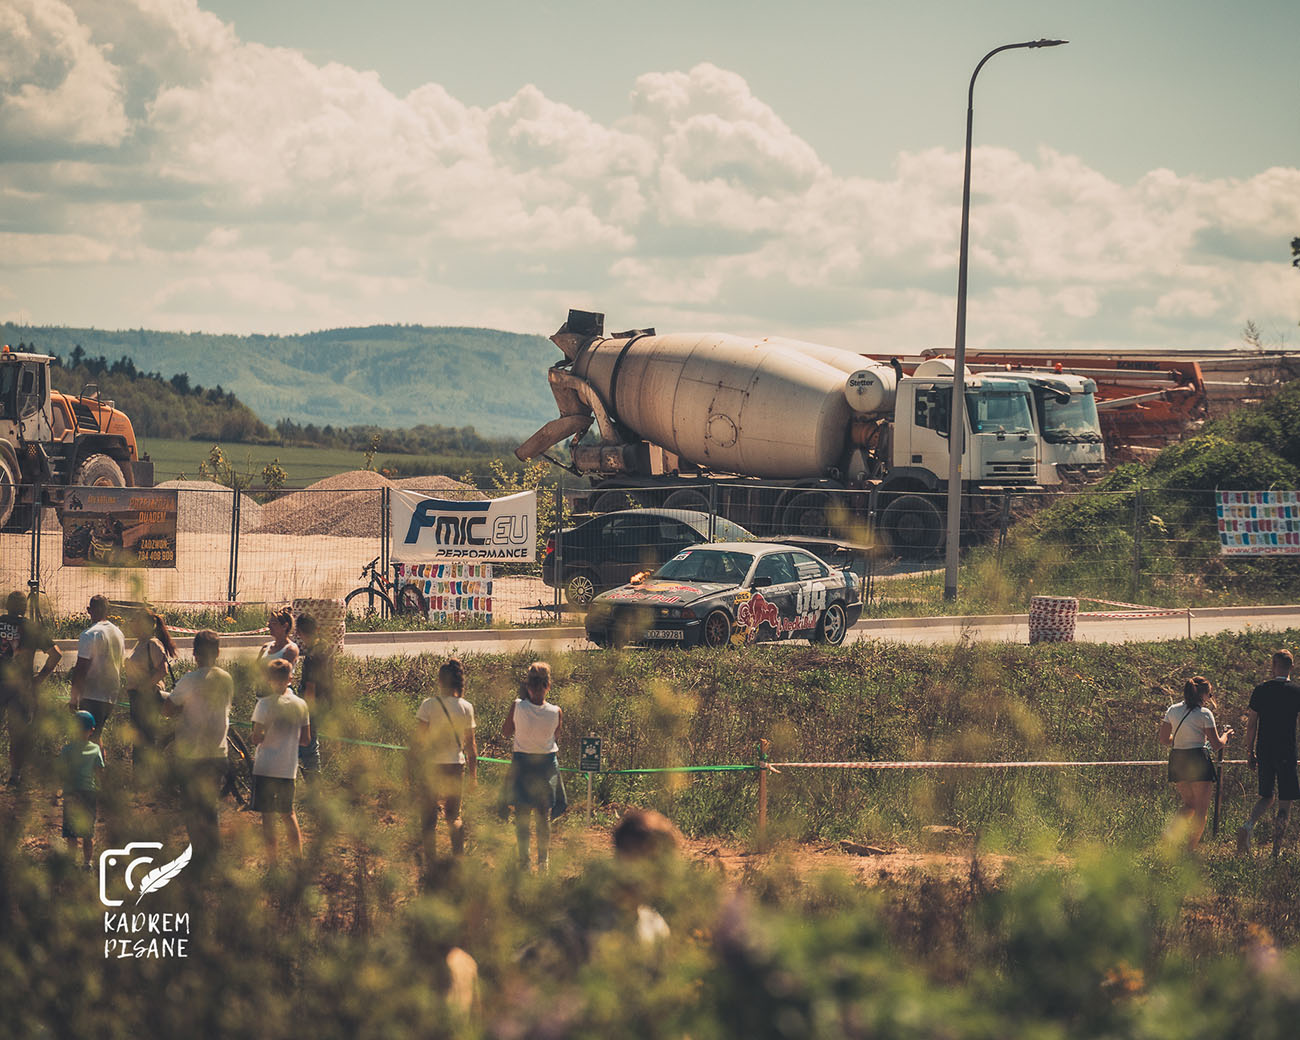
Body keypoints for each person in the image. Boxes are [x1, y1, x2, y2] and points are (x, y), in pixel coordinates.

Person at [162, 630, 234, 873]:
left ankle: (198, 854)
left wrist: (168, 697)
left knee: (192, 806)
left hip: (191, 752)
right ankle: (213, 854)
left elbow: (168, 709)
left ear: (194, 654)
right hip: (218, 751)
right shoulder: (226, 679)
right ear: (218, 653)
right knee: (209, 805)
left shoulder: (188, 680)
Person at [411, 657, 478, 866]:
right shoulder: (466, 707)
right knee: (454, 816)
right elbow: (471, 745)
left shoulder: (428, 705)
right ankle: (459, 858)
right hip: (455, 765)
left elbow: (418, 741)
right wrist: (474, 775)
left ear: (440, 681)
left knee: (429, 817)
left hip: (431, 765)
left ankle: (431, 862)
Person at [1157, 675, 1233, 851]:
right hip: (1198, 759)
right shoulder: (1205, 714)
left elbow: (1163, 739)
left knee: (1189, 804)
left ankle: (1170, 833)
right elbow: (1216, 744)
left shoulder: (1172, 710)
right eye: (1210, 695)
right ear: (1204, 695)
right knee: (1200, 809)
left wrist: (1182, 739)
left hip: (1178, 759)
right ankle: (1189, 850)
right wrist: (1226, 737)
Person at [1237, 649, 1300, 859]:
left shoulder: (1261, 690)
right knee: (1285, 801)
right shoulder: (1295, 691)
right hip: (1287, 751)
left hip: (1264, 750)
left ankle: (1249, 824)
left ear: (1273, 667)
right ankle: (1275, 851)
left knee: (1266, 795)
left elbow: (1252, 724)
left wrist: (1249, 751)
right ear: (1292, 666)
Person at [502, 661, 565, 872]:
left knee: (521, 815)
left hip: (522, 762)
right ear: (548, 685)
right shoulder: (556, 712)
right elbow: (555, 736)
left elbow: (506, 731)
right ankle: (543, 862)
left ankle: (524, 861)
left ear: (528, 684)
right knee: (543, 815)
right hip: (546, 764)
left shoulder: (517, 706)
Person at [250, 658, 310, 864]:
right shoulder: (301, 705)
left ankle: (272, 861)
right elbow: (306, 740)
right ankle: (298, 859)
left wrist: (264, 736)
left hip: (265, 766)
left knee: (267, 817)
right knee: (288, 813)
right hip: (287, 767)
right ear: (290, 678)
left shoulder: (263, 704)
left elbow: (256, 737)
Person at [0, 590, 62, 787]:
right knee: (17, 733)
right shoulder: (32, 628)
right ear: (25, 608)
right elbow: (56, 654)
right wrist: (39, 679)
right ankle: (15, 775)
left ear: (7, 606)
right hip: (22, 688)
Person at [124, 607, 176, 768]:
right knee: (139, 738)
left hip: (147, 698)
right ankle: (141, 778)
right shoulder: (140, 644)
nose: (131, 625)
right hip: (137, 697)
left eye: (134, 622)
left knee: (146, 738)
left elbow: (163, 670)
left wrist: (144, 687)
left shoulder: (152, 644)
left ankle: (148, 777)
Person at [68, 594, 125, 740]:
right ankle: (100, 762)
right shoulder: (118, 633)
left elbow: (81, 669)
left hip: (92, 695)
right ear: (108, 610)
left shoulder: (89, 635)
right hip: (111, 694)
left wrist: (73, 698)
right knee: (96, 735)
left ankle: (93, 763)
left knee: (85, 740)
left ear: (89, 610)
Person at [57, 710, 105, 868]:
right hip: (89, 793)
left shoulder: (66, 750)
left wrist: (56, 793)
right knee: (87, 833)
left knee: (71, 833)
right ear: (92, 730)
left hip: (71, 793)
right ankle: (87, 863)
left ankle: (71, 862)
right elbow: (99, 773)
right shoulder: (96, 749)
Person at [295, 613, 333, 783]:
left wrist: (306, 713)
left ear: (300, 633)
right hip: (324, 701)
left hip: (313, 705)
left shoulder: (312, 657)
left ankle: (314, 788)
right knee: (308, 745)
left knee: (309, 746)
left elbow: (310, 686)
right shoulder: (324, 647)